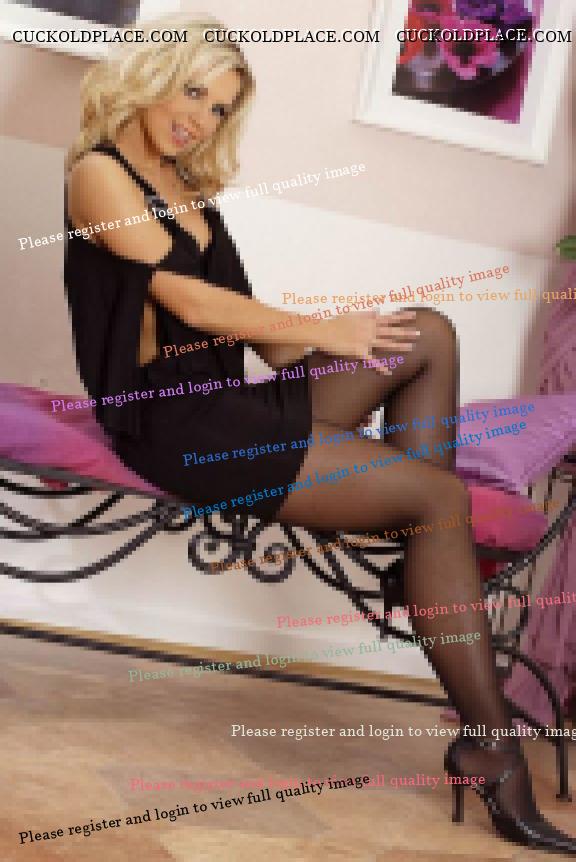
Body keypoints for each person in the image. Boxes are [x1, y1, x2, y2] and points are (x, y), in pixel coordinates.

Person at [63, 16, 576, 855]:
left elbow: (260, 338)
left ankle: (418, 561)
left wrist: (349, 331)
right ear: (153, 76)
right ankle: (490, 748)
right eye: (193, 92)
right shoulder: (99, 173)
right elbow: (190, 303)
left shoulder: (186, 187)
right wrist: (326, 332)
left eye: (220, 109)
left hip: (227, 404)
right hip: (173, 425)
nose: (201, 119)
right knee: (437, 495)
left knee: (425, 334)